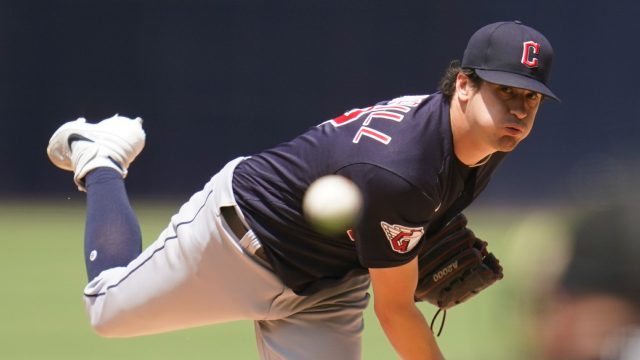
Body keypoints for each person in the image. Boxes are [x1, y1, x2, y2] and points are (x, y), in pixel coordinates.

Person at [47, 21, 558, 359]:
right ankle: (102, 157)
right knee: (107, 314)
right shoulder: (403, 172)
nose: (517, 110)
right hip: (239, 238)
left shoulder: (481, 139)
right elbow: (395, 309)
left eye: (530, 99)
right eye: (504, 92)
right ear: (464, 85)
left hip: (328, 283)